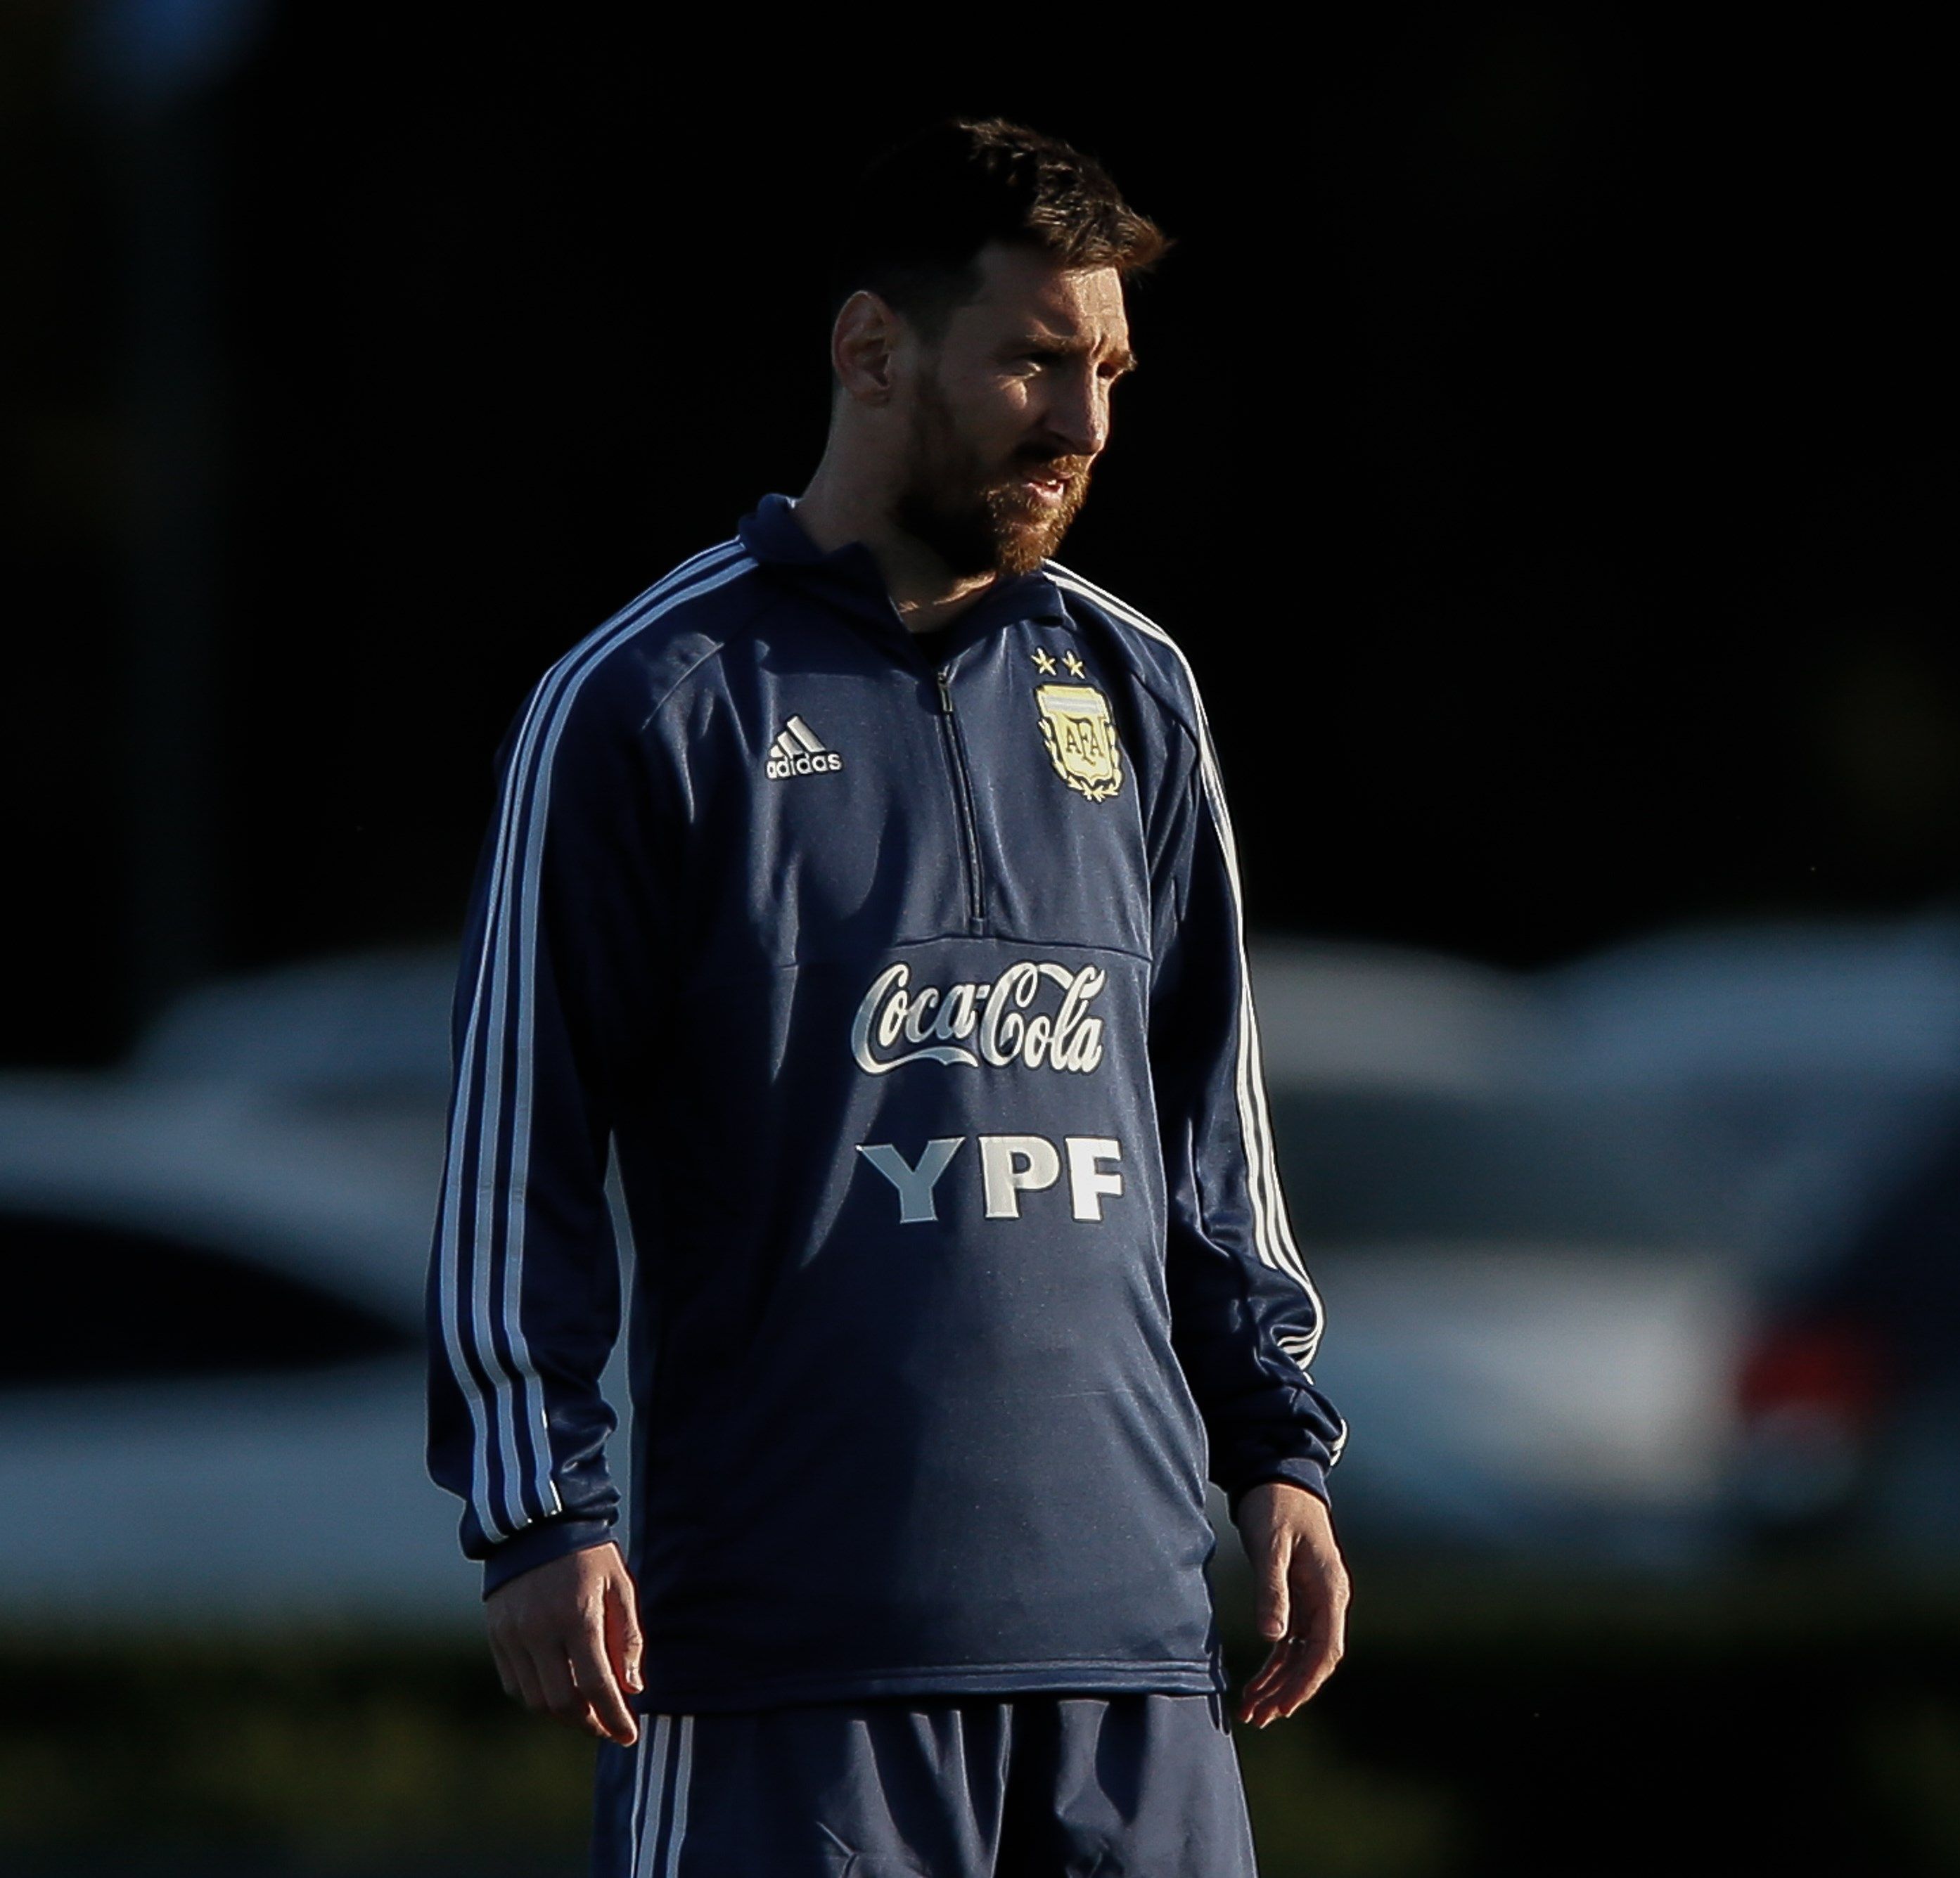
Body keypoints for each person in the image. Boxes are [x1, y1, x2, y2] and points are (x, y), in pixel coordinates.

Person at [425, 119, 1348, 1878]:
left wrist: (1278, 1455)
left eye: (1108, 372)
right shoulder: (643, 702)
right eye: (1031, 361)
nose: (1080, 427)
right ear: (870, 349)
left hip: (1130, 1662)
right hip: (787, 1671)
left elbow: (1208, 1133)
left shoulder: (1136, 689)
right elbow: (515, 1144)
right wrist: (538, 1506)